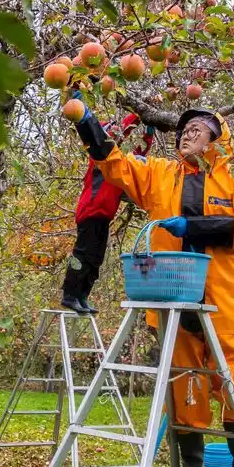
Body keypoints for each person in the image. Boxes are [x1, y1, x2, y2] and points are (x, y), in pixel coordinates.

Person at [66, 97, 234, 467]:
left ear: (216, 139)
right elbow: (119, 165)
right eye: (182, 131)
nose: (186, 136)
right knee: (183, 379)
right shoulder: (162, 174)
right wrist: (86, 123)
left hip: (224, 297)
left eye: (196, 131)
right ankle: (190, 459)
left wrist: (194, 226)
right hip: (173, 293)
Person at [60, 107, 155, 314]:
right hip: (90, 211)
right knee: (83, 254)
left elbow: (139, 154)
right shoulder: (99, 157)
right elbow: (116, 133)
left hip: (103, 216)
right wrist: (139, 113)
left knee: (95, 259)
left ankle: (83, 295)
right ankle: (70, 295)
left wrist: (149, 132)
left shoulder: (118, 165)